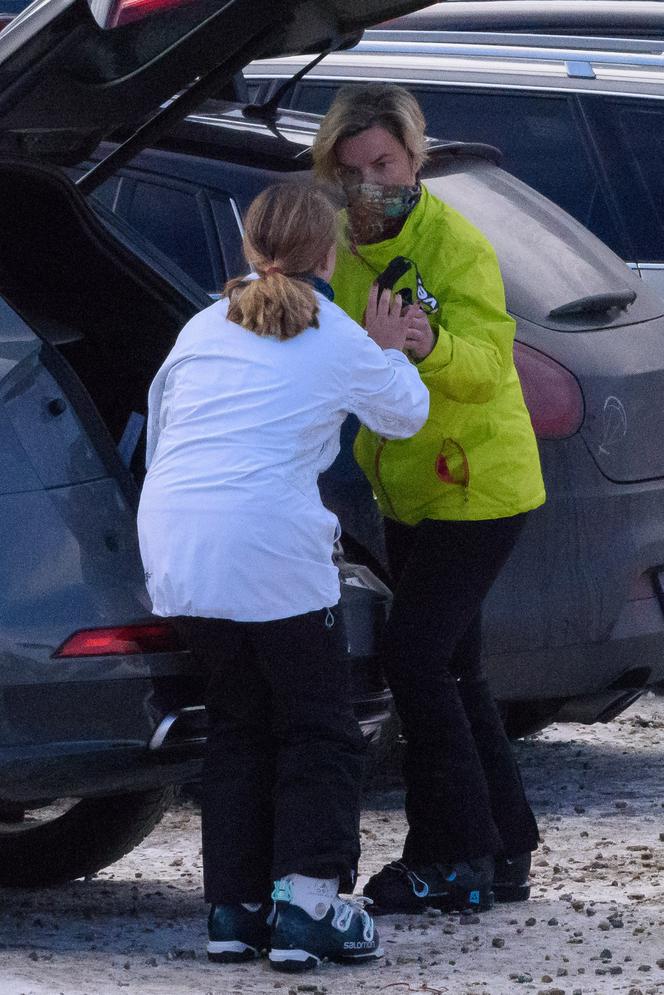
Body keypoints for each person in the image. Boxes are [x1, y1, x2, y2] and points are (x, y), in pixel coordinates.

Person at [137, 182, 429, 970]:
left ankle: (233, 910)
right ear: (327, 249)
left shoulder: (201, 326)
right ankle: (308, 906)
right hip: (268, 548)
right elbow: (406, 413)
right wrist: (391, 346)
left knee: (238, 721)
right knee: (319, 726)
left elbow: (163, 422)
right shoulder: (335, 335)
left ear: (250, 248)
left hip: (179, 547)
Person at [312, 83, 546, 916]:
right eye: (354, 170)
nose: (373, 182)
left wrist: (427, 341)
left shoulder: (457, 244)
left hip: (481, 484)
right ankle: (505, 844)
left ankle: (450, 854)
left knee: (415, 658)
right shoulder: (340, 241)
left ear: (415, 158)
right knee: (456, 667)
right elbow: (324, 335)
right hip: (408, 485)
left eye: (386, 163)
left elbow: (489, 367)